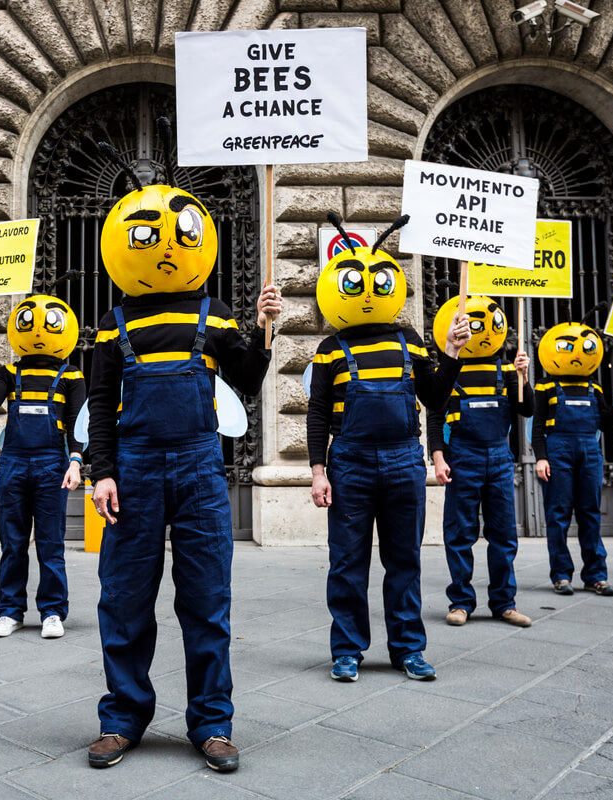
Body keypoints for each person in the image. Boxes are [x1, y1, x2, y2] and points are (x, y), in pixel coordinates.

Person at [85, 177, 281, 773]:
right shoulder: (111, 323)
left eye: (179, 237)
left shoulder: (214, 315)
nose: (167, 248)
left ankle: (212, 723)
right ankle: (121, 719)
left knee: (206, 601)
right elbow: (99, 405)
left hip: (200, 470)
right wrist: (102, 473)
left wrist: (264, 326)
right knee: (123, 599)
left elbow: (247, 379)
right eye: (149, 237)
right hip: (135, 472)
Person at [308, 219, 468, 684]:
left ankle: (408, 649)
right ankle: (348, 650)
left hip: (403, 461)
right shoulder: (328, 349)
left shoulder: (411, 341)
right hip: (350, 464)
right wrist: (319, 471)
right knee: (347, 562)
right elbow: (317, 414)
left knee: (404, 561)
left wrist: (452, 354)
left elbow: (435, 399)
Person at [0, 294, 85, 640]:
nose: (38, 331)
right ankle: (10, 612)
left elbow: (79, 425)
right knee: (13, 542)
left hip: (53, 465)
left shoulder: (73, 375)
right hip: (14, 464)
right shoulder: (8, 372)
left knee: (51, 543)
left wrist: (76, 463)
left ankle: (52, 612)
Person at [427, 295, 533, 628]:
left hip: (499, 457)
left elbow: (527, 409)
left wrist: (524, 377)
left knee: (503, 534)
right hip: (462, 457)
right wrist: (438, 456)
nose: (485, 332)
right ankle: (460, 601)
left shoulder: (507, 368)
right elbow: (434, 415)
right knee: (460, 533)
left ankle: (504, 602)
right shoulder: (448, 369)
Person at [533, 320, 613, 596]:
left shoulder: (596, 388)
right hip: (558, 451)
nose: (577, 354)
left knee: (590, 514)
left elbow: (604, 424)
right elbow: (537, 428)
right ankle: (561, 575)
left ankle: (595, 575)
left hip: (589, 451)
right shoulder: (545, 387)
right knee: (558, 515)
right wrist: (541, 458)